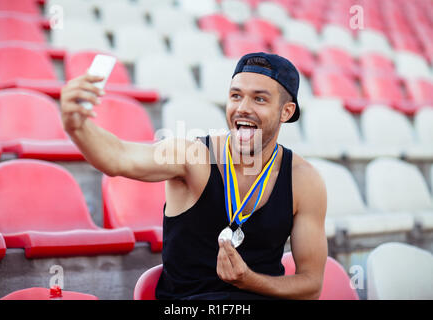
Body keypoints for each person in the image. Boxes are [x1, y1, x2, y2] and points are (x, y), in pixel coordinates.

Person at [60, 52, 327, 300]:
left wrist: (250, 281)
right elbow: (118, 157)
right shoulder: (191, 156)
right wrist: (77, 126)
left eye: (259, 99)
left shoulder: (303, 179)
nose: (243, 108)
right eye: (235, 96)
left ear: (286, 112)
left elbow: (311, 285)